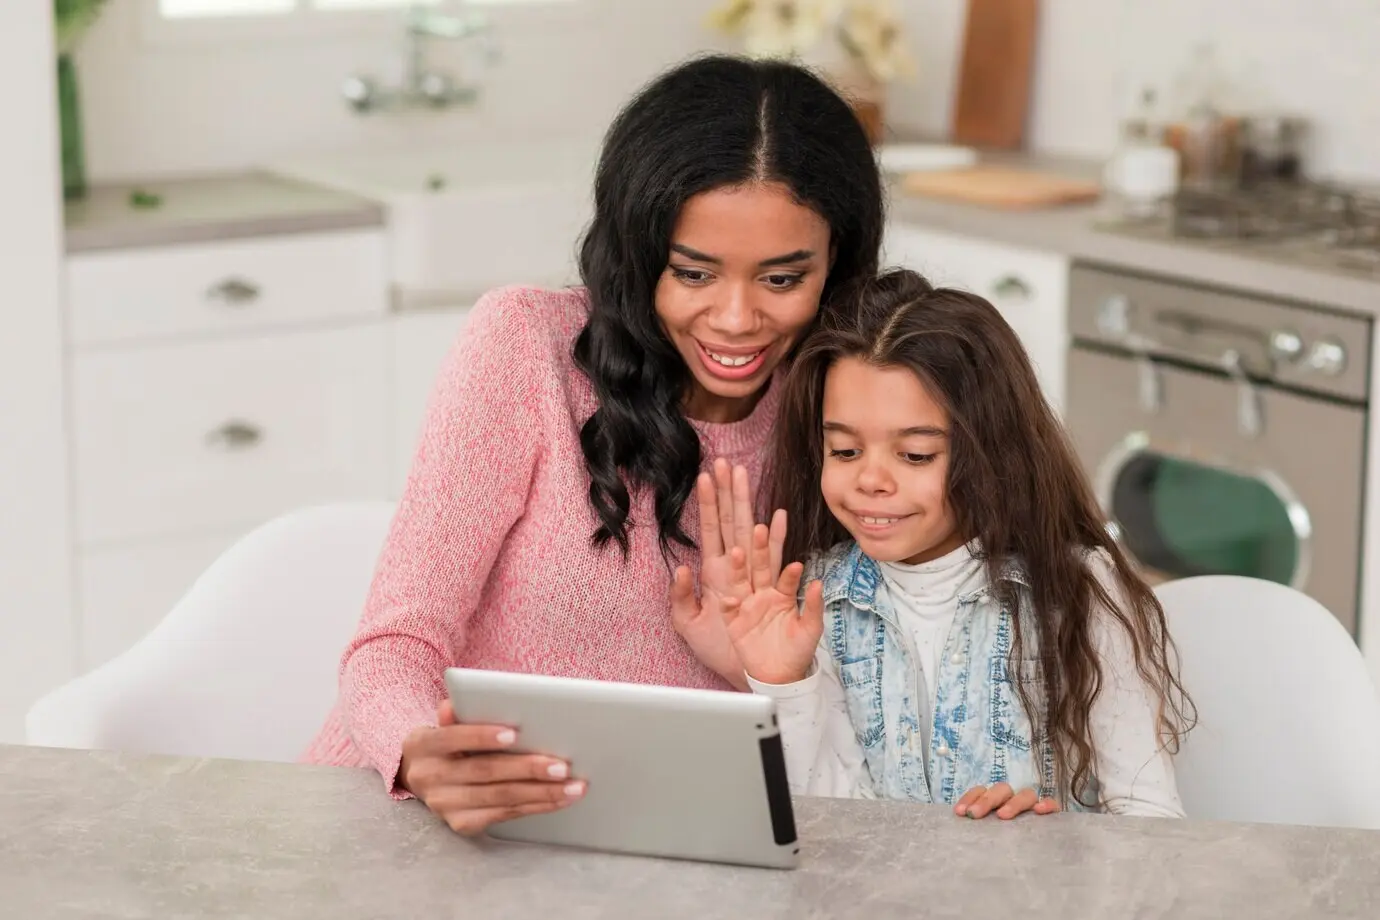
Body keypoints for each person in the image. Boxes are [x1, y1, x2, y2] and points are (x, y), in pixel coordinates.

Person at [300, 53, 885, 836]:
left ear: (835, 266)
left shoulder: (853, 414)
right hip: (418, 826)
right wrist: (421, 751)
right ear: (640, 253)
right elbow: (392, 645)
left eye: (781, 279)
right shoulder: (527, 347)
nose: (737, 319)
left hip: (659, 852)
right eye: (694, 273)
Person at [682, 269, 1195, 819]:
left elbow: (1151, 823)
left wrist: (1052, 846)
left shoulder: (1079, 588)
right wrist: (780, 683)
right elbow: (834, 822)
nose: (870, 481)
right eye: (845, 451)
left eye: (916, 455)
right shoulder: (814, 597)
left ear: (991, 452)